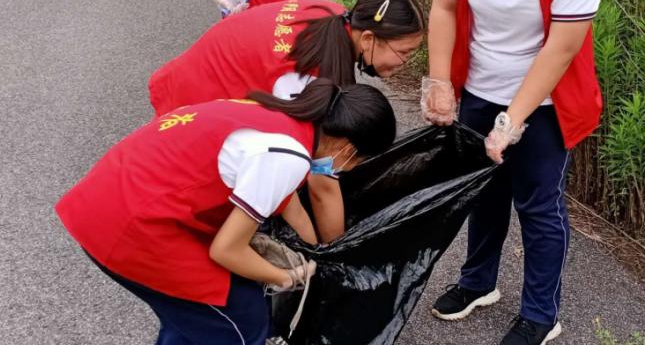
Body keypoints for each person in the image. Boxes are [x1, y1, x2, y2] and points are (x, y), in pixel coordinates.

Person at [421, 0, 603, 345]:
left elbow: (563, 46)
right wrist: (440, 82)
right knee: (484, 190)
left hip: (544, 102)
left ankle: (541, 314)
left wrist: (512, 121)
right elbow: (443, 5)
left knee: (539, 207)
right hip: (478, 85)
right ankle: (478, 283)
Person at [56, 78, 396, 344]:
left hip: (109, 197)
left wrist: (316, 253)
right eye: (357, 162)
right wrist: (285, 278)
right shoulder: (287, 156)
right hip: (130, 224)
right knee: (240, 320)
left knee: (194, 319)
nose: (346, 170)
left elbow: (286, 201)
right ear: (348, 149)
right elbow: (226, 249)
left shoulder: (284, 118)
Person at [148, 0, 425, 242]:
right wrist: (336, 253)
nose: (405, 62)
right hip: (194, 107)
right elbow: (321, 181)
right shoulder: (310, 74)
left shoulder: (334, 16)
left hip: (197, 80)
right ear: (368, 38)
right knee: (219, 224)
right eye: (404, 52)